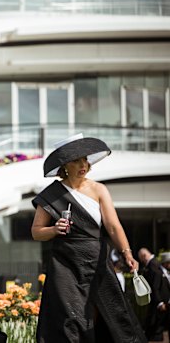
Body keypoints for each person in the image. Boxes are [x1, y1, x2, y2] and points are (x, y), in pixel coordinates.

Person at [31, 133, 146, 343]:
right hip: (64, 264)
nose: (83, 164)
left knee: (112, 312)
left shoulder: (99, 189)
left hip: (97, 260)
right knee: (69, 316)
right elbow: (36, 232)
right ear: (65, 164)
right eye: (77, 160)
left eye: (85, 159)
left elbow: (113, 225)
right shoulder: (51, 194)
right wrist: (55, 229)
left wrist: (127, 253)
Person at [138, 248, 170, 342]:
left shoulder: (153, 266)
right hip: (160, 304)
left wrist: (160, 302)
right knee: (156, 331)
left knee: (156, 330)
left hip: (161, 304)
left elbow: (155, 287)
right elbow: (155, 287)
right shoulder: (155, 266)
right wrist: (160, 302)